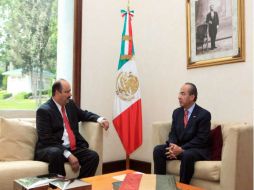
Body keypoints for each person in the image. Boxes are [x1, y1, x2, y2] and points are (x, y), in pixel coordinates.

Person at [34, 79, 109, 178]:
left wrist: (100, 119)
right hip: (50, 148)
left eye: (70, 91)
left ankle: (80, 186)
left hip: (71, 147)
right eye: (67, 92)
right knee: (56, 153)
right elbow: (47, 139)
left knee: (93, 156)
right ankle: (58, 187)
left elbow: (84, 114)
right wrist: (68, 154)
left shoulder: (70, 104)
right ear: (57, 93)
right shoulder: (44, 111)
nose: (70, 94)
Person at [153, 82, 211, 184]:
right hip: (178, 148)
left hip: (195, 149)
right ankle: (161, 185)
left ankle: (183, 186)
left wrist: (182, 149)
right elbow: (173, 133)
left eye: (183, 94)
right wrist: (172, 145)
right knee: (158, 150)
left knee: (187, 155)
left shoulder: (204, 114)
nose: (179, 97)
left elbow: (201, 139)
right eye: (180, 93)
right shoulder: (177, 112)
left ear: (192, 97)